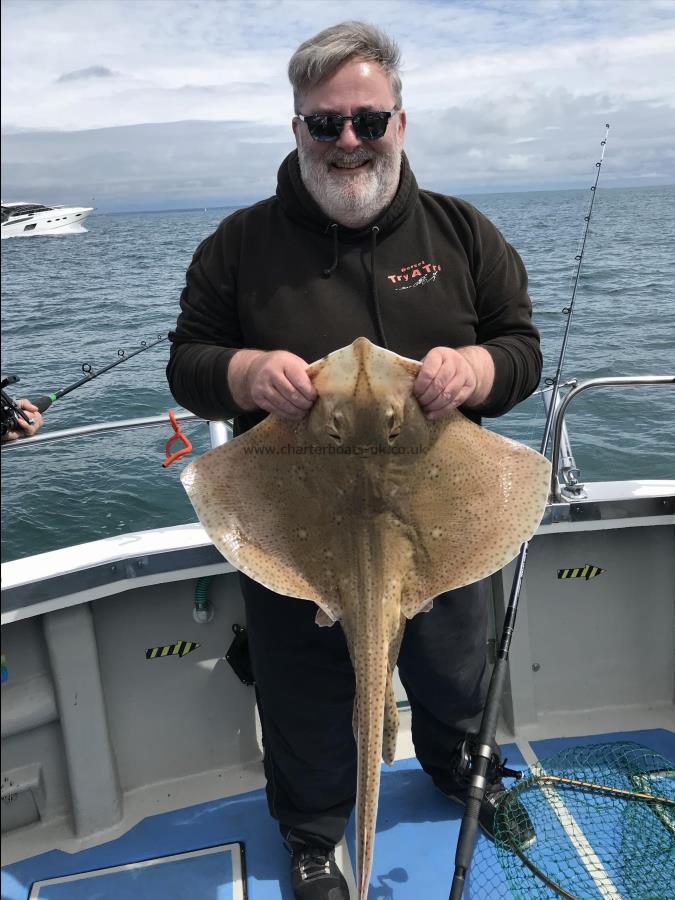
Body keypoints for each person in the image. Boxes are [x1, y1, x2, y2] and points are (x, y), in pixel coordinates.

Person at [168, 21, 542, 900]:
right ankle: (312, 834)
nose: (347, 142)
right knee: (301, 695)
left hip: (436, 509)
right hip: (299, 516)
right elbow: (188, 364)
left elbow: (519, 350)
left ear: (400, 125)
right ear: (295, 128)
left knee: (454, 669)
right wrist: (247, 372)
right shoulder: (238, 244)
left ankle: (461, 769)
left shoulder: (461, 232)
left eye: (367, 121)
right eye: (324, 123)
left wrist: (479, 368)